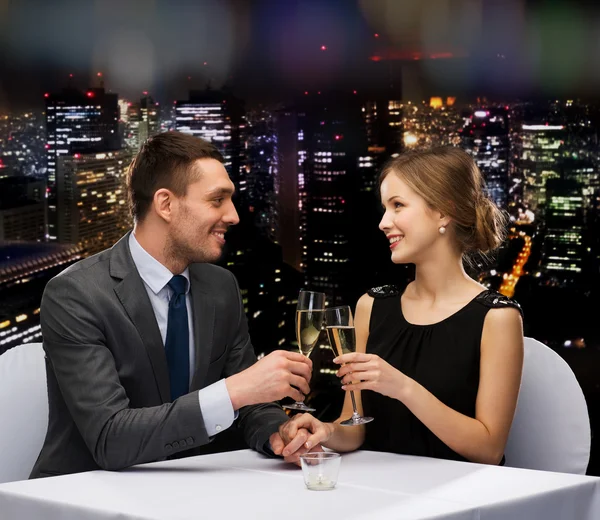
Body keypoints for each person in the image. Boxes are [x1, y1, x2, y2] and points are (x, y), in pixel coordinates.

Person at [31, 132, 314, 478]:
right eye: (217, 200)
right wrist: (232, 391)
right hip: (79, 497)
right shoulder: (75, 295)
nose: (234, 215)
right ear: (165, 204)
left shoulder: (221, 287)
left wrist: (278, 433)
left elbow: (251, 406)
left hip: (190, 493)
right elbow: (110, 439)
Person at [272, 147, 524, 465]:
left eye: (397, 206)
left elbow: (488, 450)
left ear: (444, 212)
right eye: (385, 208)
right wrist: (323, 431)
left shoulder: (497, 318)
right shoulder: (371, 306)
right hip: (380, 491)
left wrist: (402, 386)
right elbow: (355, 427)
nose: (383, 222)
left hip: (459, 500)